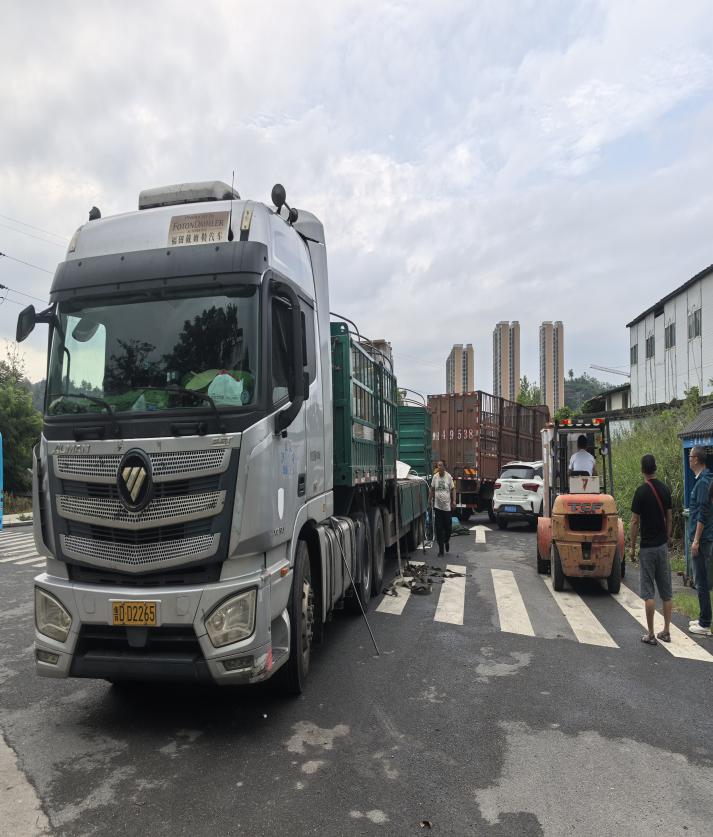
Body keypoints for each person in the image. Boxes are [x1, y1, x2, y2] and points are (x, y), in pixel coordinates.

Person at [629, 454, 673, 645]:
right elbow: (669, 517)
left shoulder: (640, 492)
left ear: (642, 470)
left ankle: (651, 634)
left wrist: (632, 547)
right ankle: (667, 631)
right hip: (662, 546)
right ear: (655, 468)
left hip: (647, 548)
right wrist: (668, 537)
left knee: (648, 593)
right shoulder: (664, 489)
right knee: (666, 592)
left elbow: (634, 522)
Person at [687, 445, 713, 637]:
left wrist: (695, 540)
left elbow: (702, 514)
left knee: (701, 581)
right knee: (701, 580)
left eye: (690, 457)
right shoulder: (705, 480)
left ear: (696, 459)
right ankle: (704, 617)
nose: (688, 460)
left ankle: (705, 623)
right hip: (704, 538)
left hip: (702, 540)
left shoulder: (703, 483)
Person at [430, 460, 455, 557]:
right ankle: (441, 550)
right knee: (439, 529)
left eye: (441, 465)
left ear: (444, 467)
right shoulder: (435, 477)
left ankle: (446, 541)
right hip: (438, 507)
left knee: (448, 528)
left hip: (447, 508)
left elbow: (453, 489)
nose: (439, 467)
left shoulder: (448, 477)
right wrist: (429, 500)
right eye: (438, 466)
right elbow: (432, 489)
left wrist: (454, 501)